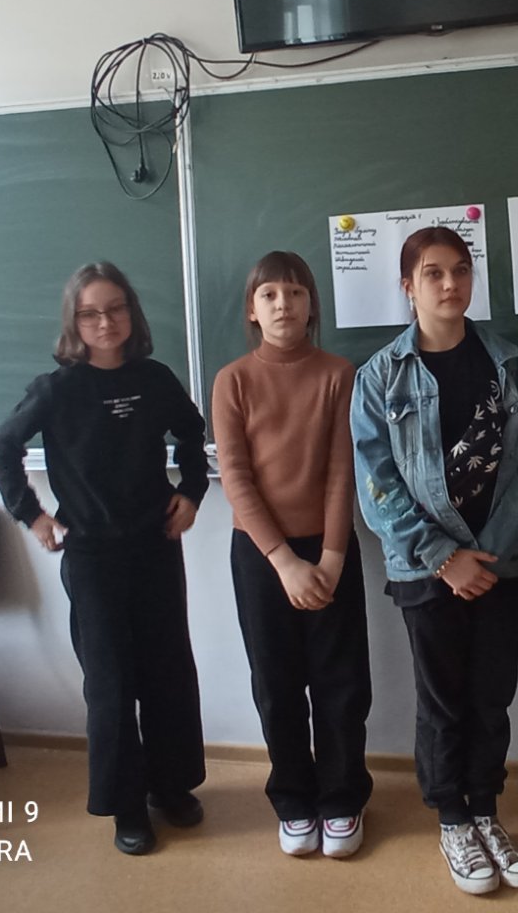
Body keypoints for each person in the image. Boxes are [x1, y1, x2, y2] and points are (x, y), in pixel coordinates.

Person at [349, 226, 518, 896]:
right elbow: (376, 483)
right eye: (432, 273)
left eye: (460, 270)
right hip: (423, 567)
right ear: (408, 286)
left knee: (492, 696)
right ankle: (454, 820)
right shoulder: (380, 377)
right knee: (442, 702)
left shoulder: (509, 365)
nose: (449, 283)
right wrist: (443, 557)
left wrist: (486, 552)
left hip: (499, 561)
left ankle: (487, 810)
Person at [0, 260, 209, 857]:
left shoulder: (155, 379)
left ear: (131, 313)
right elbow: (4, 446)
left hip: (156, 547)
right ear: (74, 321)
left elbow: (193, 435)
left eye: (115, 309)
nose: (105, 322)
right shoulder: (56, 389)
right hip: (91, 556)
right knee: (111, 685)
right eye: (91, 313)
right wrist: (32, 515)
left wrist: (192, 493)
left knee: (167, 672)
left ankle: (170, 787)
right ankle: (127, 805)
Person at [212, 251, 372, 859]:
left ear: (312, 305)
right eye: (270, 295)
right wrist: (283, 561)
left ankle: (343, 798)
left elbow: (341, 471)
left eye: (296, 293)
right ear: (253, 311)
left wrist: (329, 558)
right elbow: (235, 477)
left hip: (330, 549)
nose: (284, 305)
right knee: (276, 684)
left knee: (341, 683)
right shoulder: (233, 380)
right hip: (261, 555)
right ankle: (293, 799)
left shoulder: (339, 374)